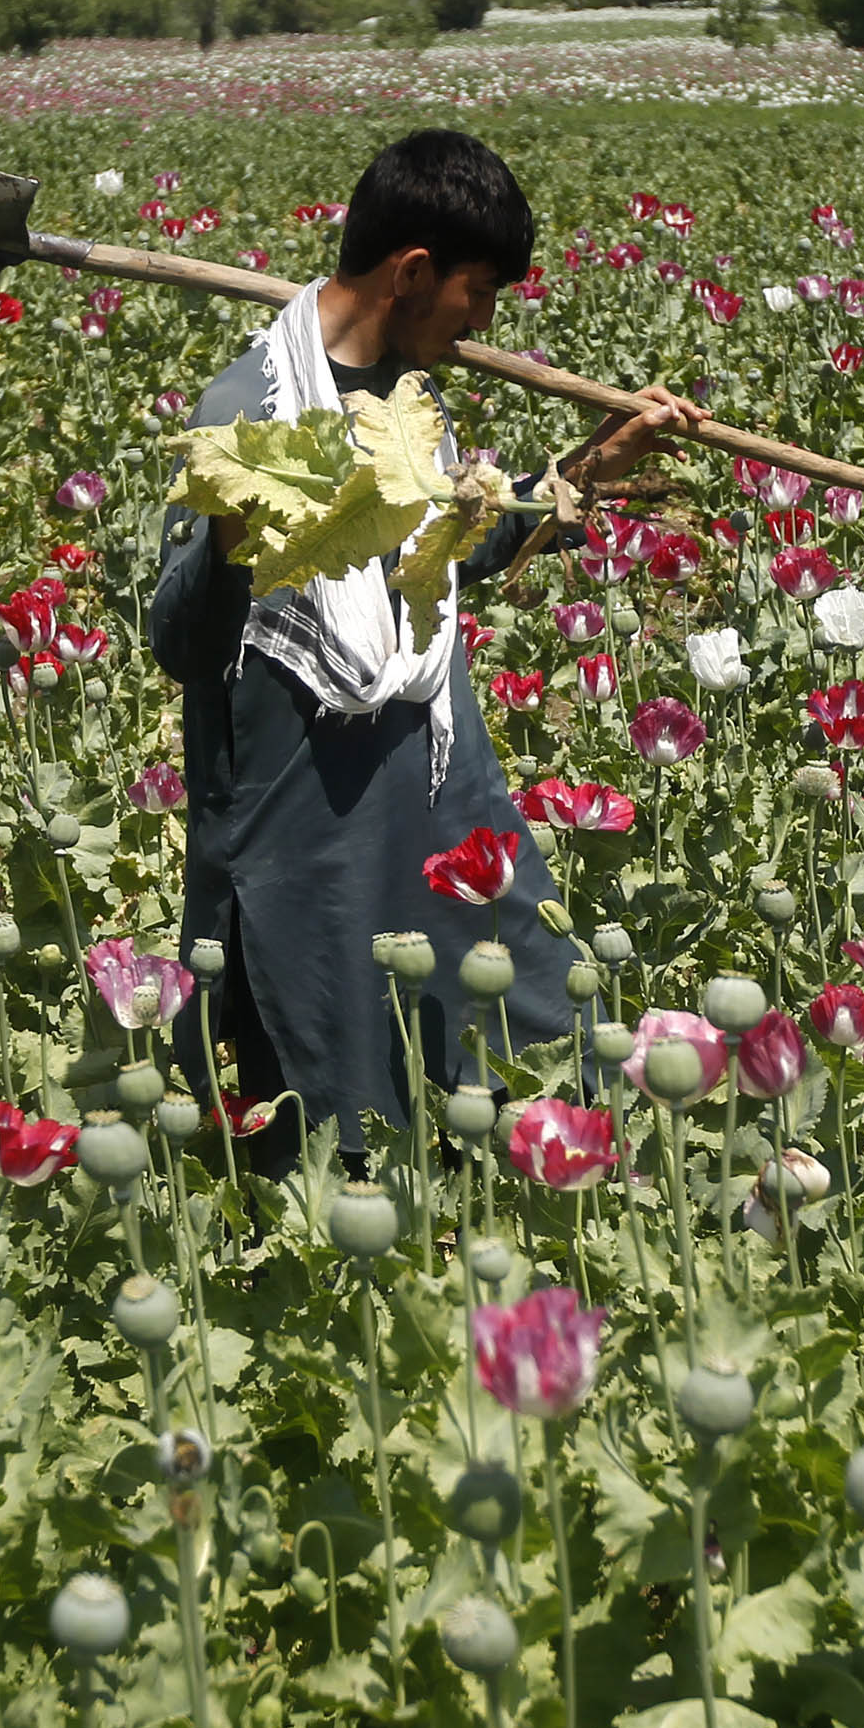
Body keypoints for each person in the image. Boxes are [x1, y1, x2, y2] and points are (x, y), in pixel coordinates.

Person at [147, 129, 698, 1168]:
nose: (484, 322)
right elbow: (180, 643)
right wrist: (228, 533)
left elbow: (440, 548)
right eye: (477, 292)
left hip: (437, 781)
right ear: (410, 273)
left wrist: (587, 467)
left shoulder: (404, 400)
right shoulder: (249, 413)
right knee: (338, 1114)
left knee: (541, 1029)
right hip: (311, 821)